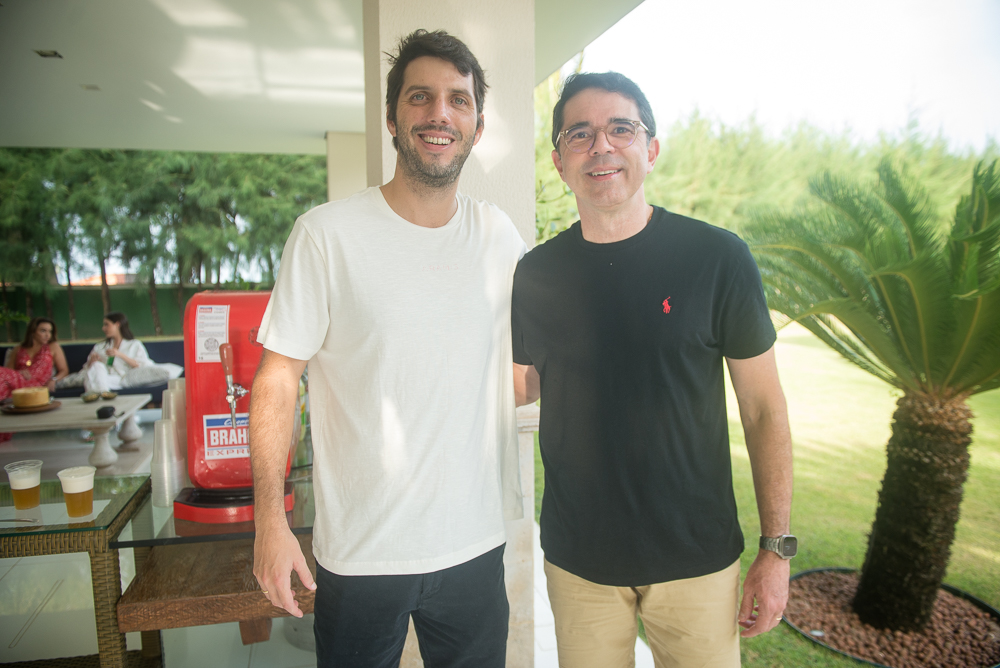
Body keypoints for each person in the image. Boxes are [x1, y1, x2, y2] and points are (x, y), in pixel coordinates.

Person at [250, 29, 525, 668]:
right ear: (393, 118)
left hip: (474, 546)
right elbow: (277, 378)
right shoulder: (326, 235)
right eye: (420, 97)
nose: (439, 114)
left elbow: (513, 375)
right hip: (361, 555)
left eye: (459, 100)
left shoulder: (498, 237)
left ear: (477, 127)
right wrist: (269, 519)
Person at [511, 72, 794, 667]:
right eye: (580, 134)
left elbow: (763, 408)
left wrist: (776, 549)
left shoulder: (717, 258)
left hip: (696, 559)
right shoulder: (536, 275)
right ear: (559, 162)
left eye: (621, 129)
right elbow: (522, 383)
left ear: (652, 149)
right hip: (580, 560)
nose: (602, 146)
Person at [1, 317, 70, 441]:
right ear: (33, 331)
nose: (48, 335)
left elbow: (64, 370)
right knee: (3, 382)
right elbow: (9, 371)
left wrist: (53, 379)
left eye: (50, 331)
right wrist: (19, 372)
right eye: (43, 331)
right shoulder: (18, 348)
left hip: (36, 386)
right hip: (18, 383)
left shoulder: (53, 347)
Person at [82, 312, 152, 393]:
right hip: (106, 378)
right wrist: (92, 362)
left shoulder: (134, 344)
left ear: (117, 324)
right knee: (97, 367)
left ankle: (99, 394)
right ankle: (102, 393)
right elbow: (88, 369)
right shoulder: (100, 347)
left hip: (124, 378)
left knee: (97, 381)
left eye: (106, 325)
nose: (103, 328)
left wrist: (119, 354)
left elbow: (141, 365)